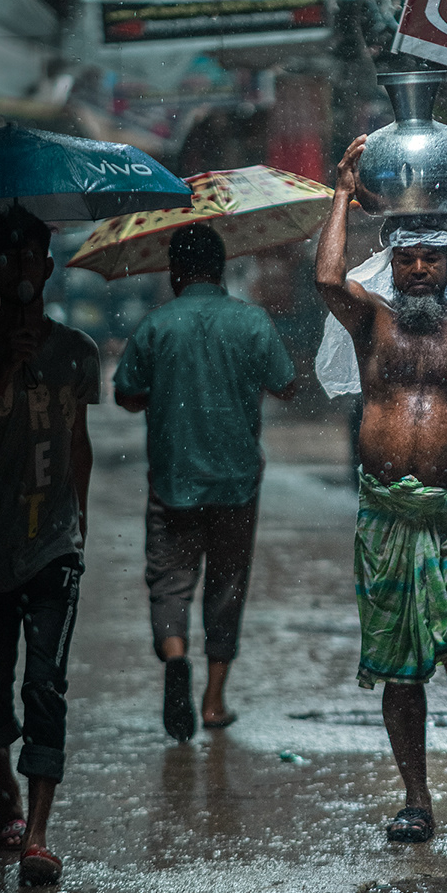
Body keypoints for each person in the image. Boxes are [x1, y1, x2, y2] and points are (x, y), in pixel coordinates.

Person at [314, 136, 447, 844]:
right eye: (404, 258)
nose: (416, 269)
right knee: (398, 667)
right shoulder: (371, 322)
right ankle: (417, 798)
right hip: (385, 514)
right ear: (391, 263)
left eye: (429, 258)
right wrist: (343, 191)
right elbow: (325, 281)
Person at [0, 204, 100, 887]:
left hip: (53, 545)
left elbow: (77, 444)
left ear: (48, 267)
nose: (21, 270)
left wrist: (80, 523)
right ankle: (5, 788)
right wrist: (4, 372)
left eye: (32, 257)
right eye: (7, 259)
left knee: (46, 685)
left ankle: (37, 832)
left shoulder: (77, 353)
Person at [114, 222, 296, 741]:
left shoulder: (156, 325)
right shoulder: (252, 323)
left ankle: (175, 658)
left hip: (173, 481)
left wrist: (165, 388)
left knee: (169, 583)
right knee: (227, 586)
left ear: (175, 273)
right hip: (236, 482)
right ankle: (214, 701)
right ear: (220, 269)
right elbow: (287, 385)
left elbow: (127, 394)